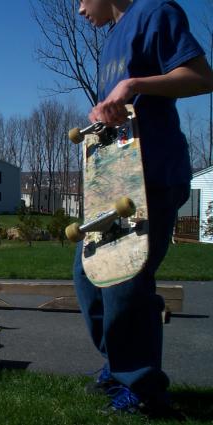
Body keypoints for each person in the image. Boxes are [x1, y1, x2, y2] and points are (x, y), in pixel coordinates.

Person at [75, 0, 213, 417]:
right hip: (118, 180)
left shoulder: (155, 12)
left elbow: (201, 77)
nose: (79, 9)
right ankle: (120, 365)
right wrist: (104, 111)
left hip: (153, 173)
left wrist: (133, 84)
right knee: (87, 277)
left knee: (127, 283)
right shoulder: (110, 40)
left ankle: (143, 388)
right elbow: (123, 109)